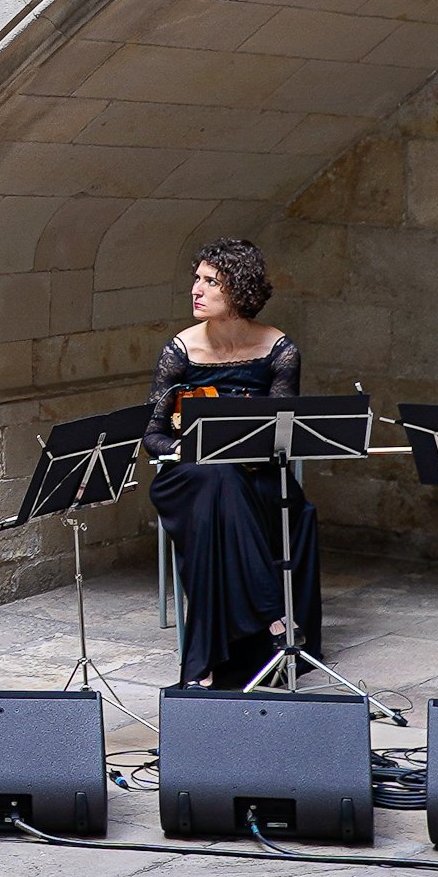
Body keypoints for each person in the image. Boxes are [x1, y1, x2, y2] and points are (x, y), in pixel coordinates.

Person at [145, 239, 315, 691]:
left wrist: (232, 452)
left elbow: (284, 432)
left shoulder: (279, 349)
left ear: (237, 290)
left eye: (209, 282)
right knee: (215, 477)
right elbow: (152, 434)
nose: (196, 290)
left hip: (255, 473)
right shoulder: (179, 350)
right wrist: (189, 451)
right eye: (196, 280)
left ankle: (204, 668)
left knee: (224, 488)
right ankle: (272, 614)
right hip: (187, 477)